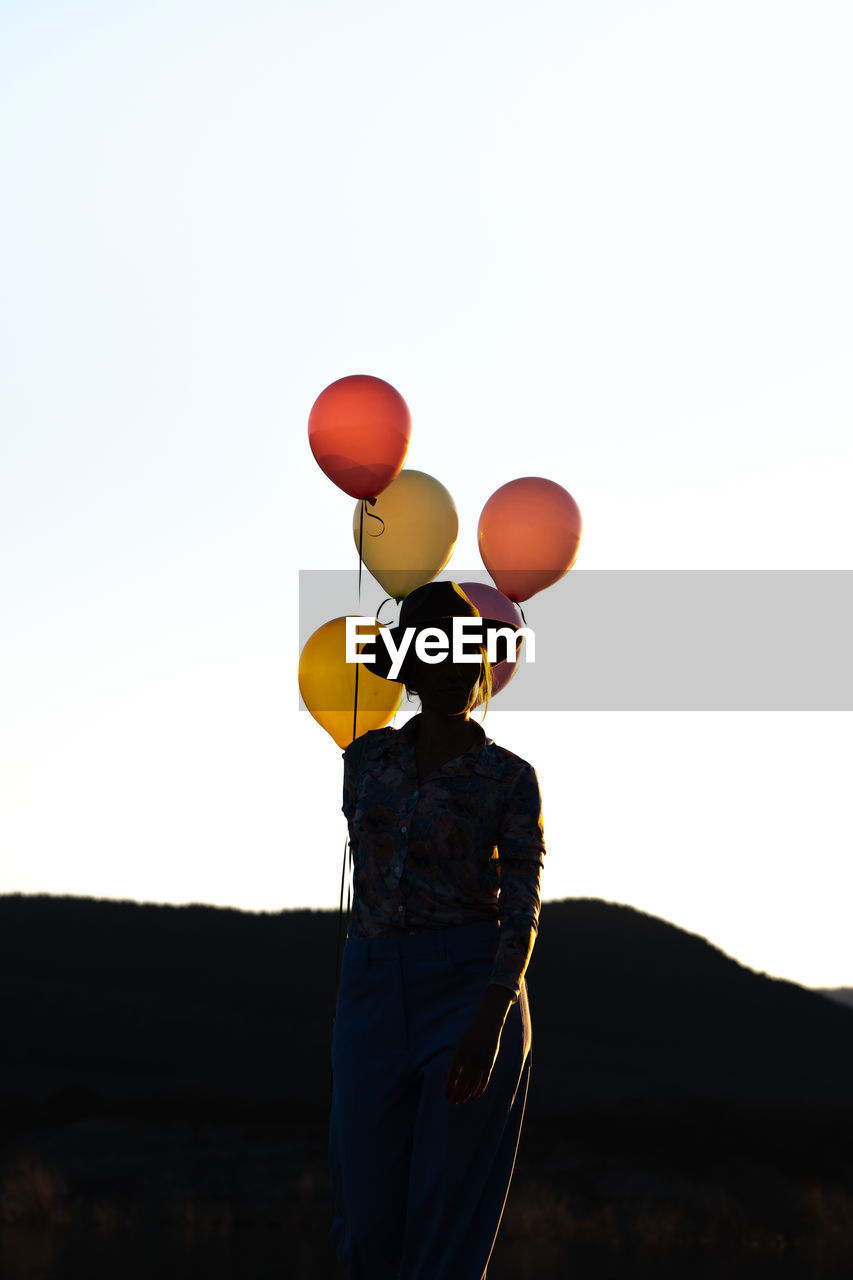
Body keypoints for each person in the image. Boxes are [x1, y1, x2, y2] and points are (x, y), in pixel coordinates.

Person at [328, 581, 547, 1280]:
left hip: (469, 984)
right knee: (364, 1222)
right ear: (412, 669)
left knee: (447, 1230)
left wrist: (491, 1015)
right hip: (369, 984)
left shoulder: (508, 778)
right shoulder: (364, 761)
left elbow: (522, 904)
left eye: (464, 654)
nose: (453, 668)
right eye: (436, 655)